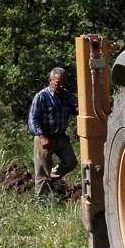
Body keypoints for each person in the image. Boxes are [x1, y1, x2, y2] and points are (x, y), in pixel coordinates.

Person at [28, 67, 78, 198]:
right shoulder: (42, 96)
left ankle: (49, 180)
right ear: (50, 81)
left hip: (60, 136)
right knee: (42, 170)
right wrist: (42, 136)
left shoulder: (65, 94)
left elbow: (74, 108)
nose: (61, 86)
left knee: (71, 162)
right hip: (44, 137)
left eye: (63, 83)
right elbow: (32, 119)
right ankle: (42, 201)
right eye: (58, 82)